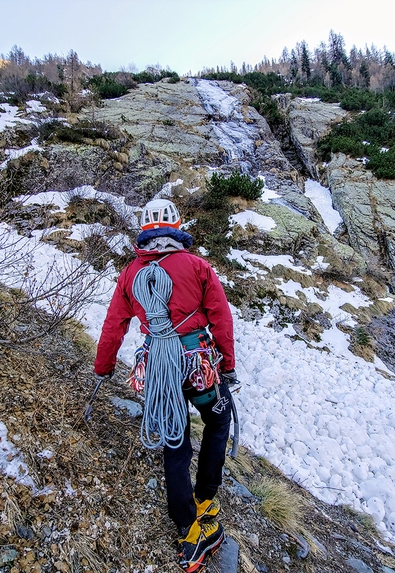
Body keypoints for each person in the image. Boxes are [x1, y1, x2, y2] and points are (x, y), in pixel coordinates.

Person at [94, 198, 238, 572]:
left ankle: (188, 530)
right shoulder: (197, 266)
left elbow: (114, 324)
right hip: (196, 362)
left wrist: (103, 366)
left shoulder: (130, 274)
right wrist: (229, 366)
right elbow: (221, 318)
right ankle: (204, 498)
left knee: (175, 441)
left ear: (144, 229)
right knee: (218, 420)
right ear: (176, 224)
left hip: (158, 366)